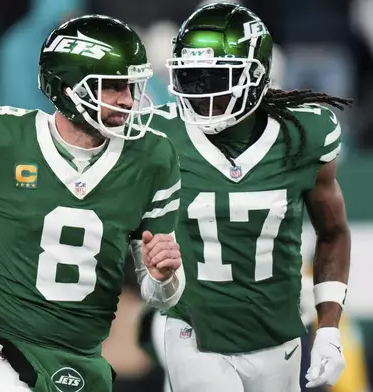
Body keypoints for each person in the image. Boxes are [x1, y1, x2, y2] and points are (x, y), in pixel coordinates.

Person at [0, 14, 184, 392]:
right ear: (67, 88)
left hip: (83, 357)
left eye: (131, 86)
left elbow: (161, 293)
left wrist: (165, 277)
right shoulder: (1, 137)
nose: (127, 100)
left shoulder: (153, 159)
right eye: (113, 86)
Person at [148, 3, 352, 392]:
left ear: (256, 76)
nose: (201, 96)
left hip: (278, 334)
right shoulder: (158, 134)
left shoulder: (305, 133)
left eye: (215, 80)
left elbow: (333, 232)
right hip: (196, 332)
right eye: (191, 79)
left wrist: (328, 328)